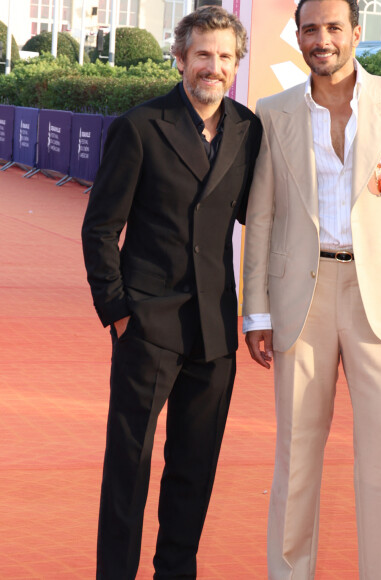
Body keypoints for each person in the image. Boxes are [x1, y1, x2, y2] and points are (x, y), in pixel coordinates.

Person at [242, 0, 381, 578]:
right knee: (296, 455)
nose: (321, 38)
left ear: (356, 32)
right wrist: (255, 310)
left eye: (333, 28)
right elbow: (262, 217)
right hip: (298, 295)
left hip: (378, 295)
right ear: (298, 37)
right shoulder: (274, 110)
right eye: (310, 29)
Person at [81, 6, 262, 579]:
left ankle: (176, 571)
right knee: (129, 467)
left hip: (214, 330)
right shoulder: (139, 126)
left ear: (237, 64)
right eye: (203, 54)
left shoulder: (246, 128)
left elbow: (257, 219)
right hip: (148, 327)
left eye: (225, 57)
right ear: (180, 59)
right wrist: (117, 312)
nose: (214, 66)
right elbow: (101, 228)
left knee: (195, 466)